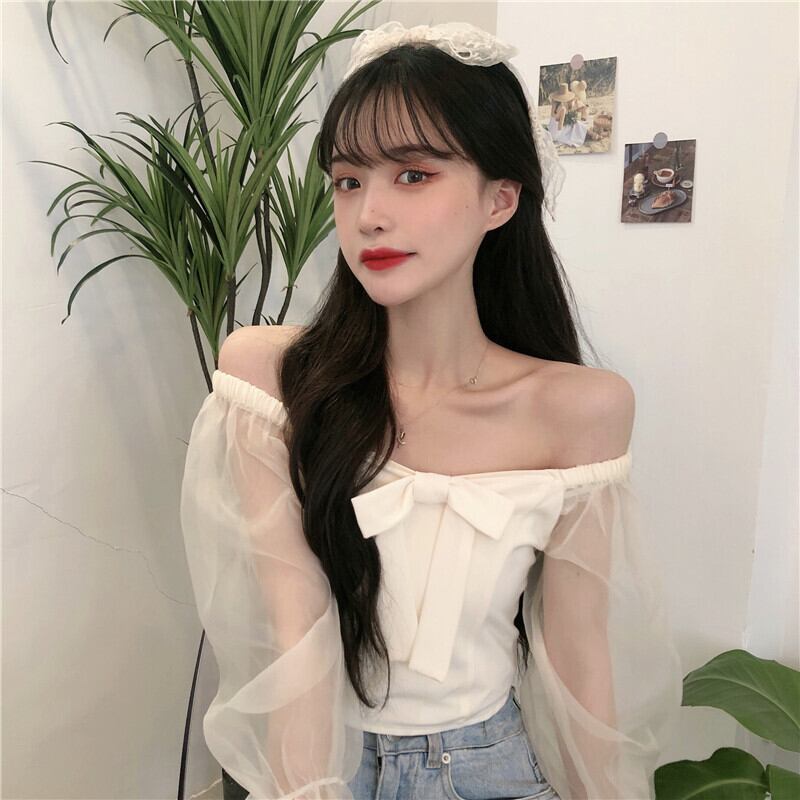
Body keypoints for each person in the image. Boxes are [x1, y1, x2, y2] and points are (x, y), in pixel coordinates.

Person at [179, 20, 684, 800]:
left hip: (496, 770)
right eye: (349, 180)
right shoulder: (269, 378)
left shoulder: (581, 409)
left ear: (499, 200)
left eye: (413, 174)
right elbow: (295, 633)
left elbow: (579, 659)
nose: (368, 215)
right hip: (329, 762)